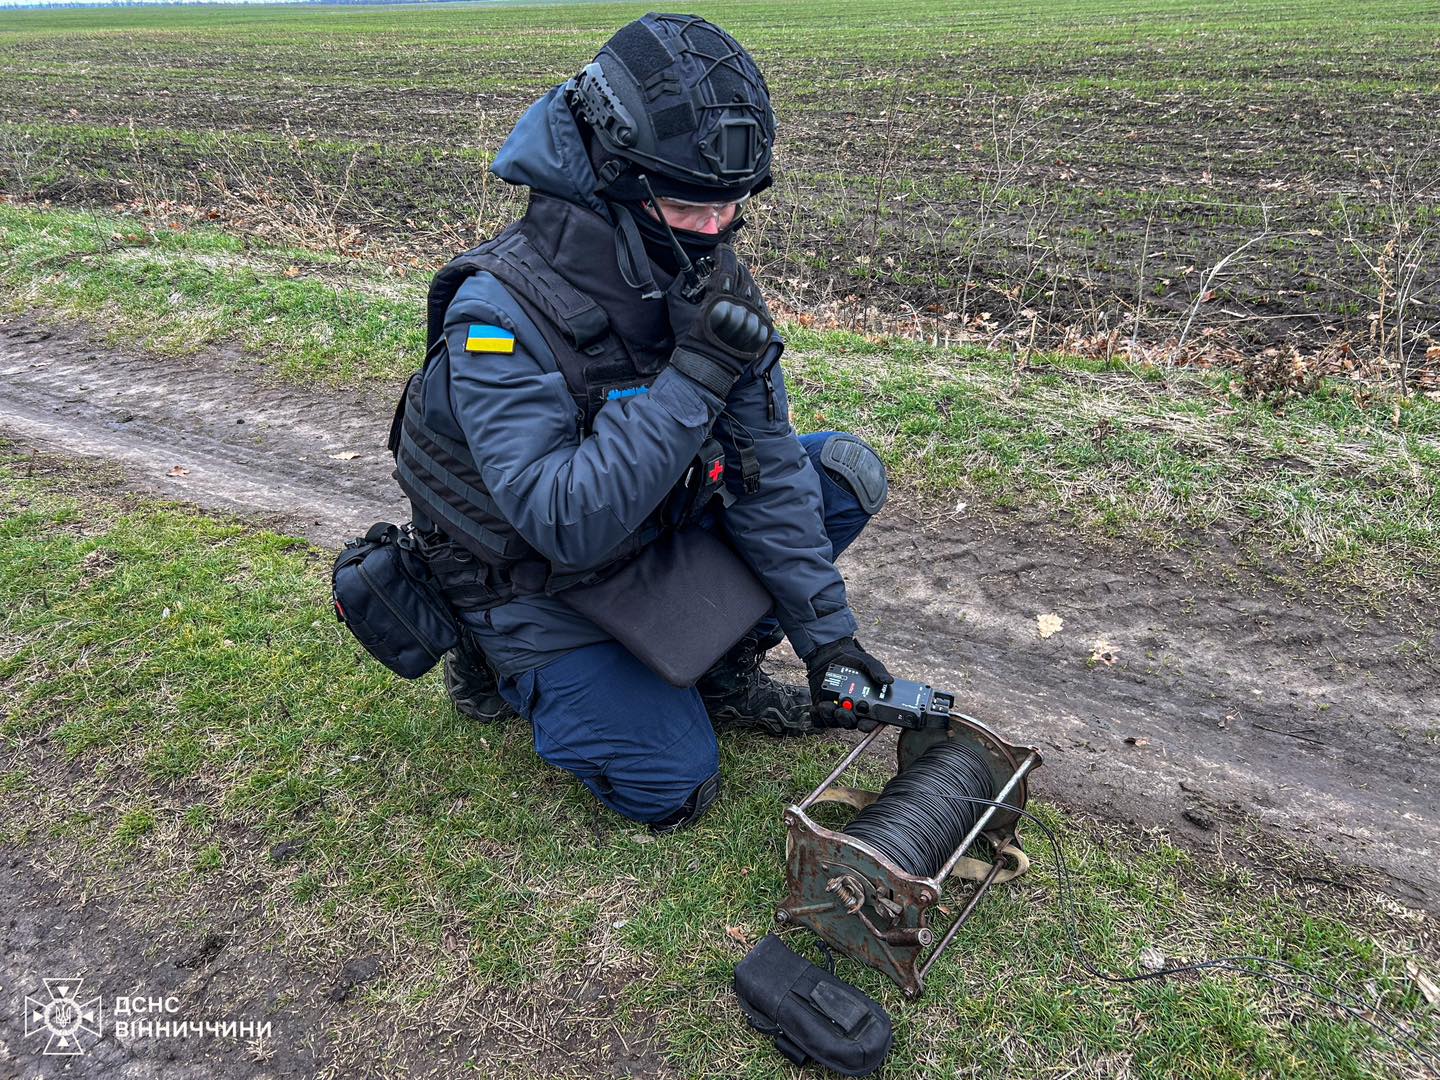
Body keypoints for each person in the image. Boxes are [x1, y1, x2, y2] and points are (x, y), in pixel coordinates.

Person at [391, 13, 894, 833]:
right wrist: (695, 376)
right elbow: (563, 523)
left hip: (650, 529)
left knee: (837, 475)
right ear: (612, 175)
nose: (718, 231)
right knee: (672, 788)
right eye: (692, 208)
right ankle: (489, 662)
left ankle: (720, 667)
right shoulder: (495, 315)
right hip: (533, 579)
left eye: (732, 208)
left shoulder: (699, 263)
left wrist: (828, 645)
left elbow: (761, 465)